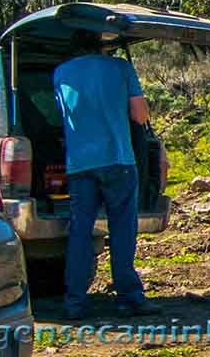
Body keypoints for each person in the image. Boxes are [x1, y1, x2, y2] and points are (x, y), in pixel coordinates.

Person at [54, 29, 159, 319]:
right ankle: (129, 298)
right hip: (117, 159)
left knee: (79, 231)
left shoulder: (60, 73)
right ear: (101, 44)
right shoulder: (120, 67)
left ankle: (74, 302)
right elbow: (140, 115)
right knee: (122, 229)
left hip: (78, 164)